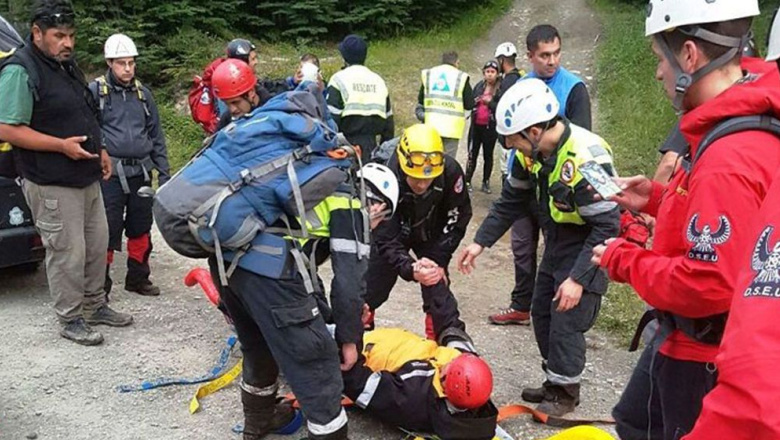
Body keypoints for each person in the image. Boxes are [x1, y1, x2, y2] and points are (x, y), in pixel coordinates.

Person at [591, 1, 780, 438]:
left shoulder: (729, 155)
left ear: (689, 56)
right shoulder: (738, 121)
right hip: (687, 342)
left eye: (661, 58)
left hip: (701, 359)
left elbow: (709, 281)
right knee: (632, 420)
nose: (658, 72)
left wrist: (625, 260)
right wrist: (658, 199)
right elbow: (739, 223)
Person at [458, 79, 620, 417]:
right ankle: (554, 379)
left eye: (514, 141)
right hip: (558, 239)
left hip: (589, 243)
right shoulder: (530, 155)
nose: (512, 149)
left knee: (567, 317)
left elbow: (608, 225)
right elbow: (510, 201)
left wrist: (579, 278)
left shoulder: (587, 158)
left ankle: (565, 393)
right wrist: (479, 243)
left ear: (533, 131)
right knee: (542, 313)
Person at [207, 157, 397, 439]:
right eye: (381, 221)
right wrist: (348, 339)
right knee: (318, 367)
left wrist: (323, 318)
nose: (377, 226)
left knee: (259, 346)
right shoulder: (351, 206)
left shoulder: (311, 187)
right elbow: (348, 284)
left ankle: (258, 423)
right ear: (379, 206)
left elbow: (305, 276)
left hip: (226, 264)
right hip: (268, 270)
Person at [0, 0, 133, 346]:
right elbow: (8, 129)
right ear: (37, 33)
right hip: (50, 180)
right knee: (66, 251)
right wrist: (61, 146)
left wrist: (101, 149)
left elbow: (85, 113)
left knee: (95, 244)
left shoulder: (65, 65)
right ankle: (70, 317)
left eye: (71, 36)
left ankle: (94, 304)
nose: (68, 43)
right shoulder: (20, 69)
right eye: (59, 36)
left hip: (85, 173)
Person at [488, 24, 594, 327]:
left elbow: (580, 135)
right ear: (530, 56)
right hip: (524, 180)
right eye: (545, 55)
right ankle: (521, 304)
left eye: (556, 53)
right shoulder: (518, 86)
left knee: (556, 246)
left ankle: (559, 306)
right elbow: (502, 132)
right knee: (521, 245)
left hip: (558, 185)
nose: (552, 60)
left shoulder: (574, 88)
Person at [364, 123, 473, 345]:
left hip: (431, 230)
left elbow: (458, 217)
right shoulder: (385, 176)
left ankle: (445, 341)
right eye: (415, 178)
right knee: (371, 284)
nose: (422, 184)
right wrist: (409, 267)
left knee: (437, 283)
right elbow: (384, 237)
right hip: (393, 227)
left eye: (428, 178)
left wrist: (438, 259)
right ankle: (360, 333)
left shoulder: (450, 172)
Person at [90, 33, 170, 298]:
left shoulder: (143, 95)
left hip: (141, 172)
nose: (128, 68)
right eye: (121, 63)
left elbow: (156, 135)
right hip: (109, 174)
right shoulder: (96, 92)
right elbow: (88, 130)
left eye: (131, 63)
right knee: (107, 229)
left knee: (141, 227)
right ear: (110, 63)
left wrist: (165, 173)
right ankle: (100, 286)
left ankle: (138, 277)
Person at [342, 327, 498, 440]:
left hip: (360, 348)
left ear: (446, 382)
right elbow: (451, 327)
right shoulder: (464, 365)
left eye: (451, 365)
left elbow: (359, 383)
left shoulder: (411, 398)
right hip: (385, 339)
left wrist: (345, 342)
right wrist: (435, 285)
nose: (450, 360)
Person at [327, 34, 393, 163]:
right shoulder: (378, 80)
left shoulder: (338, 79)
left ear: (344, 57)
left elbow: (331, 121)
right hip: (373, 148)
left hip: (346, 147)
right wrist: (384, 153)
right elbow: (389, 122)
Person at [417, 51, 474, 158]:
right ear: (457, 62)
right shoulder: (460, 77)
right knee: (447, 163)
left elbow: (421, 99)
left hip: (431, 126)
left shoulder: (429, 74)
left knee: (430, 160)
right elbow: (469, 104)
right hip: (451, 129)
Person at [491, 41, 525, 182]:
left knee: (506, 168)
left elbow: (502, 108)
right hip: (520, 129)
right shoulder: (521, 77)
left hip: (508, 131)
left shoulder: (507, 82)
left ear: (501, 60)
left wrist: (489, 102)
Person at [465, 60, 500, 194]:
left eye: (492, 72)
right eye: (487, 72)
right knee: (472, 154)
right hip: (476, 127)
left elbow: (500, 108)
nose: (490, 75)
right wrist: (476, 101)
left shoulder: (499, 89)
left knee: (488, 155)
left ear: (497, 74)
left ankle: (486, 181)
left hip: (490, 128)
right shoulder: (479, 86)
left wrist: (490, 102)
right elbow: (470, 103)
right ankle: (467, 179)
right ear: (483, 73)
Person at [212, 59, 274, 131]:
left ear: (251, 93)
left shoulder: (272, 112)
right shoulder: (226, 120)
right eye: (226, 103)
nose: (232, 110)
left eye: (235, 102)